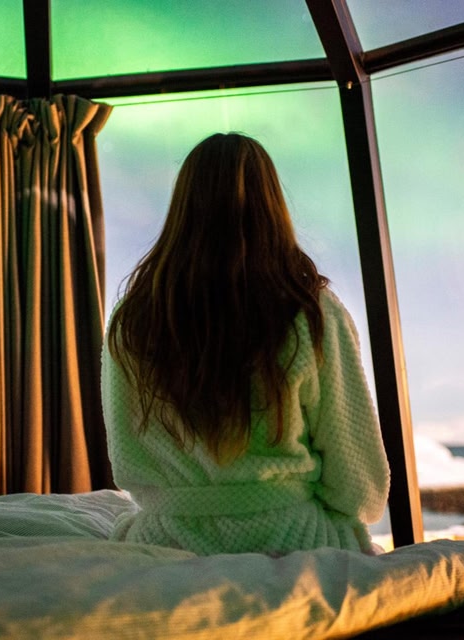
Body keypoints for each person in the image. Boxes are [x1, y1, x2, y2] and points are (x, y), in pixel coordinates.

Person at [101, 132, 389, 556]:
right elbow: (359, 485)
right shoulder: (311, 314)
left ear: (182, 207)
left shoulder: (132, 319)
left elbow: (127, 458)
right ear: (272, 205)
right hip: (292, 541)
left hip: (164, 541)